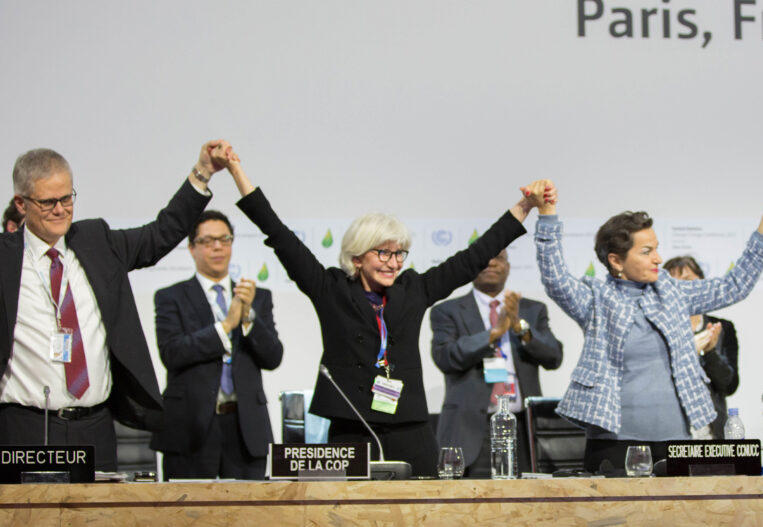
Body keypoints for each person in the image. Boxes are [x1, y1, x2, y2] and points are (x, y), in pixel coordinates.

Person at [223, 151, 554, 477]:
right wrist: (238, 173)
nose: (393, 262)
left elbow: (474, 256)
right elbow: (279, 235)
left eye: (399, 253)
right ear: (357, 257)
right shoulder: (331, 289)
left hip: (410, 427)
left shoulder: (413, 290)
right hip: (352, 426)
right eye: (383, 252)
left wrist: (525, 206)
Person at [0, 141, 230, 471]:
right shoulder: (5, 258)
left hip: (93, 427)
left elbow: (160, 234)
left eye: (67, 198)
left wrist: (203, 172)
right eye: (48, 202)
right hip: (23, 428)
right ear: (21, 203)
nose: (61, 209)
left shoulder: (96, 241)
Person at [534, 194, 763, 472]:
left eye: (656, 248)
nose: (658, 258)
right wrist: (547, 216)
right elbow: (555, 278)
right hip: (615, 443)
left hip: (676, 441)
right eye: (646, 252)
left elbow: (734, 285)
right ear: (616, 261)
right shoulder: (595, 299)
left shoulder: (672, 292)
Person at [150, 210, 284, 479]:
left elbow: (273, 358)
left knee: (250, 516)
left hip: (245, 426)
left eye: (225, 239)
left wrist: (247, 318)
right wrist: (225, 326)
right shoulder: (171, 297)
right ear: (191, 248)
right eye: (208, 241)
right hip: (191, 427)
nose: (217, 247)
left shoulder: (255, 297)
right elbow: (172, 353)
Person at [430, 249, 564, 477]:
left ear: (508, 267)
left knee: (526, 507)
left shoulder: (532, 309)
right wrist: (494, 333)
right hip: (472, 428)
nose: (491, 263)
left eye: (498, 258)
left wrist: (520, 327)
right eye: (484, 259)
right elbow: (446, 356)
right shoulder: (447, 310)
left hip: (522, 428)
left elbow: (554, 357)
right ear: (470, 268)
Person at [663, 256, 739, 440]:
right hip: (670, 429)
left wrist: (710, 352)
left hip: (711, 430)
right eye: (674, 283)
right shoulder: (659, 328)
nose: (682, 288)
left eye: (688, 281)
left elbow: (729, 385)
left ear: (702, 284)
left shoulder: (721, 327)